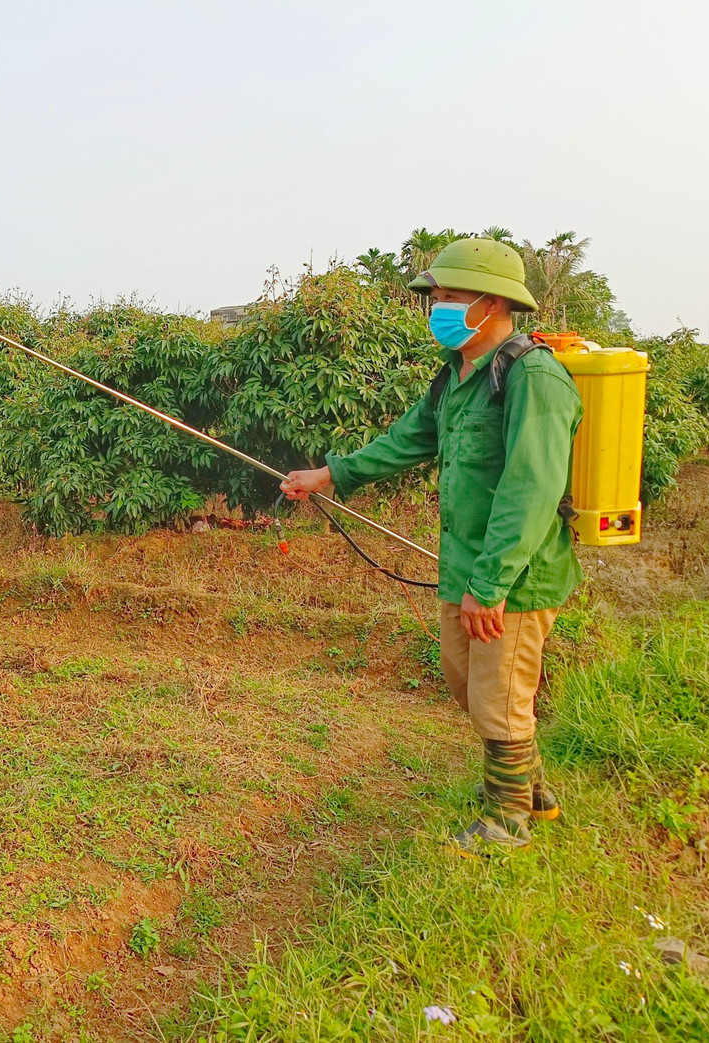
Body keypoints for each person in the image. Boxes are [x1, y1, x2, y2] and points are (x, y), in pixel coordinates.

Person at [281, 238, 583, 855]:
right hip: (463, 566)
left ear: (491, 302)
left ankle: (507, 822)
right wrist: (329, 475)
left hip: (513, 577)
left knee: (498, 697)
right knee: (469, 687)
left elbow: (530, 490)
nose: (436, 309)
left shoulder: (534, 377)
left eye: (448, 297)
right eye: (436, 298)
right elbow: (407, 440)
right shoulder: (457, 375)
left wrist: (491, 585)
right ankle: (532, 790)